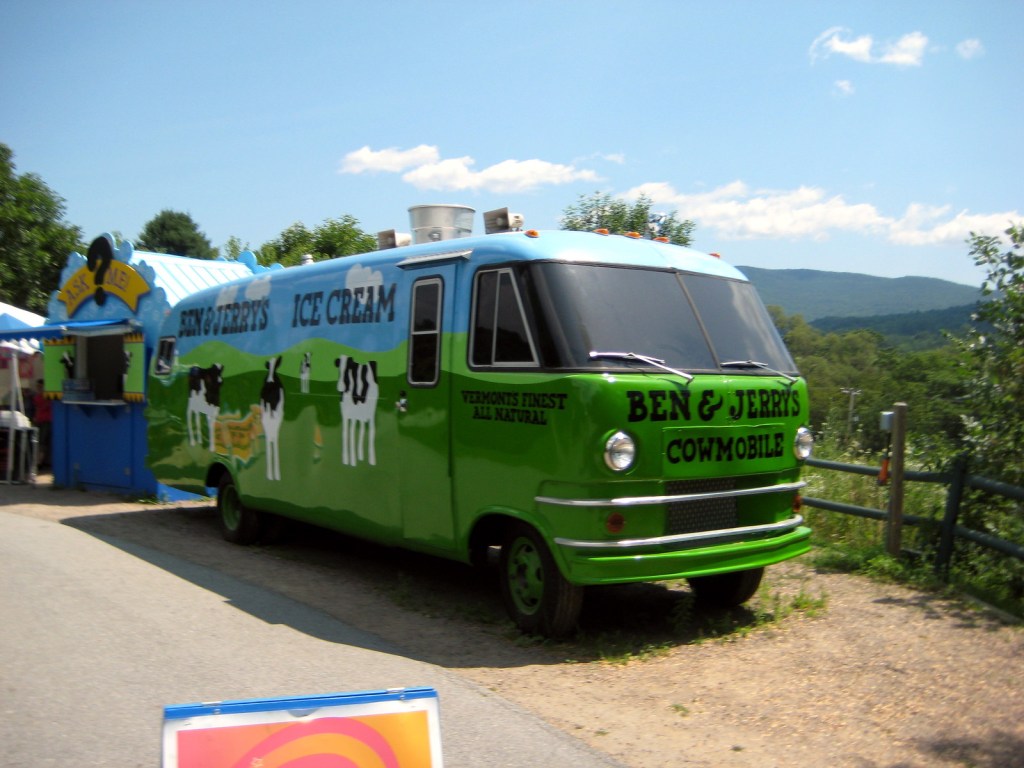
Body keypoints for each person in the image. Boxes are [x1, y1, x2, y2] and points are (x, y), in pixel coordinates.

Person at [31, 379, 51, 468]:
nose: (38, 388)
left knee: (42, 441)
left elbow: (42, 407)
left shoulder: (47, 397)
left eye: (40, 386)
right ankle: (39, 460)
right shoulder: (37, 397)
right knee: (40, 441)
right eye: (38, 386)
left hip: (46, 420)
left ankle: (39, 461)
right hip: (40, 420)